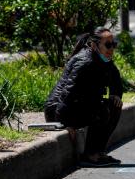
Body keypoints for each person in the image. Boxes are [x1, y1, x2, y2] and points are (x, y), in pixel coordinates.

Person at [44, 27, 124, 167]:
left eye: (113, 44)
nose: (111, 48)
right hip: (59, 109)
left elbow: (116, 80)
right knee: (101, 110)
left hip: (79, 105)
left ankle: (98, 152)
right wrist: (63, 122)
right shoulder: (85, 62)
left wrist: (115, 95)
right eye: (108, 45)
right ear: (94, 45)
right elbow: (68, 93)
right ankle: (90, 156)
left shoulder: (104, 60)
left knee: (113, 105)